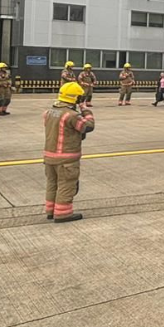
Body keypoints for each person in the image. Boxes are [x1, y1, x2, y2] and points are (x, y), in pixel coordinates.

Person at [42, 81, 96, 223]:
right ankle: (63, 213)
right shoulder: (71, 115)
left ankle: (51, 210)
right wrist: (85, 110)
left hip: (49, 156)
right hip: (66, 158)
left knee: (52, 184)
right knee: (67, 185)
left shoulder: (49, 112)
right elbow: (88, 126)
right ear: (75, 98)